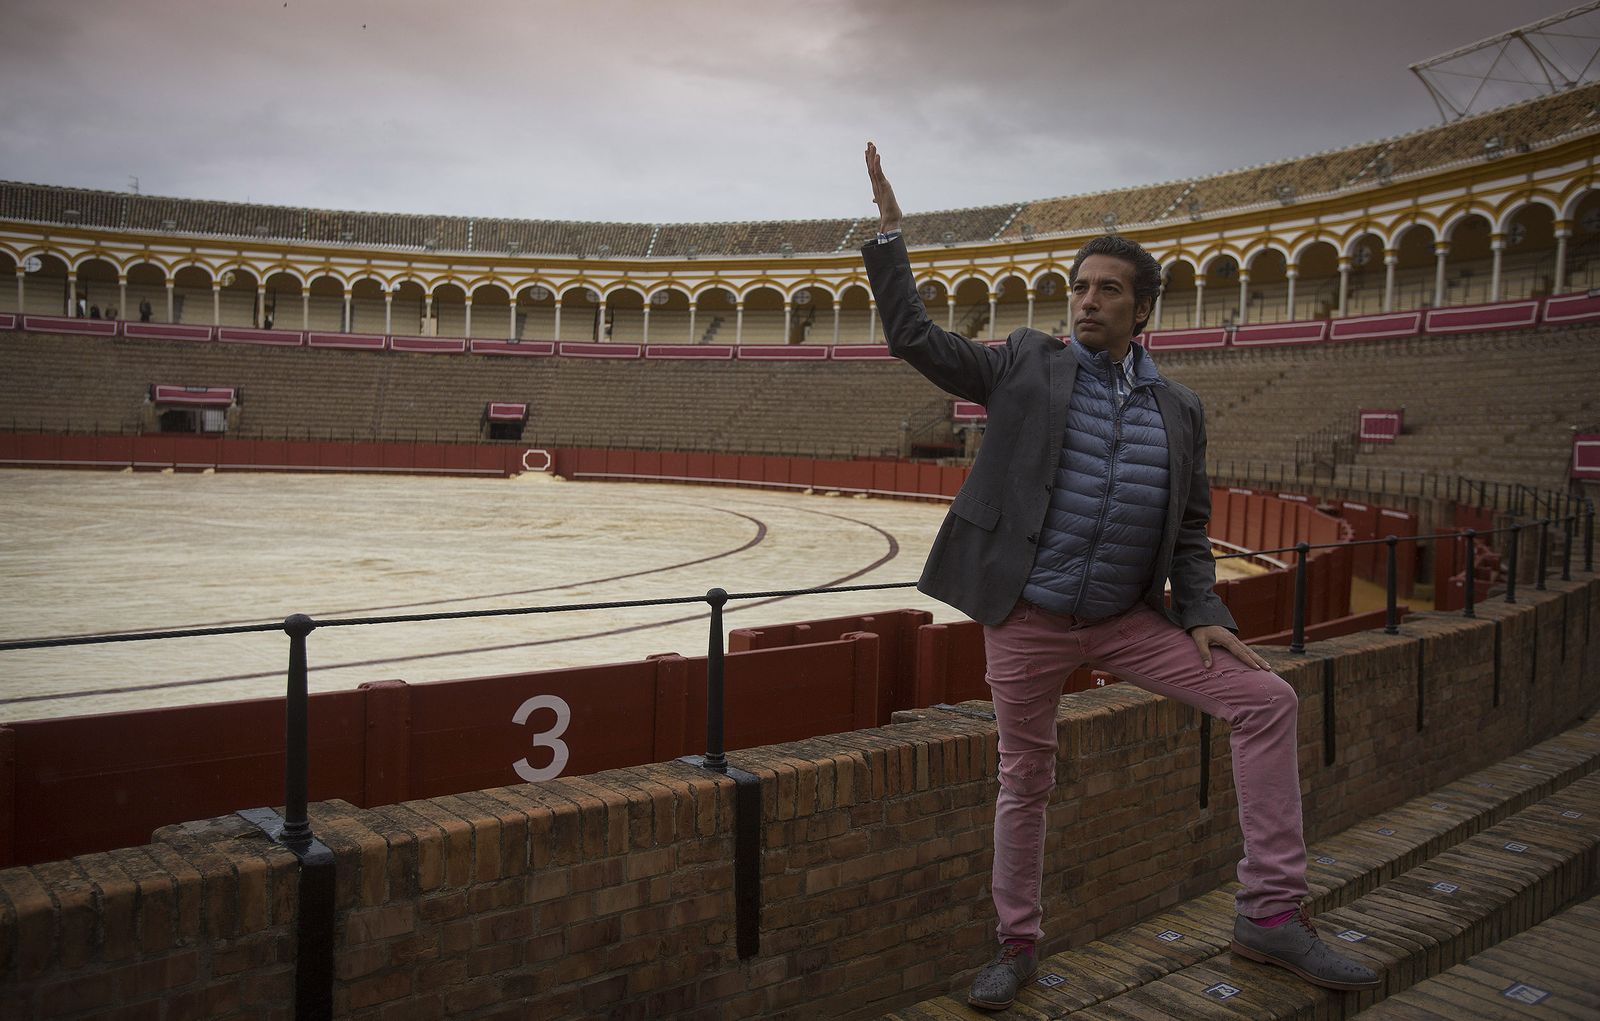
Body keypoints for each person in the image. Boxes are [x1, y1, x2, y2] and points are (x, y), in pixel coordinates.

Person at [861, 143, 1378, 1010]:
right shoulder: (1025, 361)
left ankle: (1271, 913)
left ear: (1143, 310)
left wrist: (1204, 609)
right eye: (1079, 287)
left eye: (1107, 289)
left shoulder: (1182, 408)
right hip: (1025, 617)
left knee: (1268, 701)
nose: (1087, 300)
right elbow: (914, 337)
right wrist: (889, 236)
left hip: (1126, 620)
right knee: (1025, 777)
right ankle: (1016, 944)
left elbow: (1189, 528)